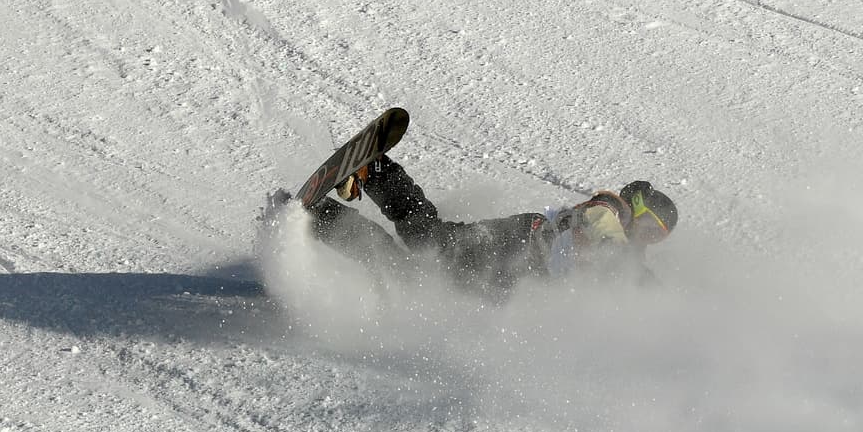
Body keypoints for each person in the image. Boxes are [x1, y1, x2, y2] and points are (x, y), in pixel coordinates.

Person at [264, 151, 677, 300]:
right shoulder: (614, 210)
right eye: (654, 230)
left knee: (411, 279)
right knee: (431, 242)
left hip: (516, 278)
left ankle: (315, 218)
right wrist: (613, 252)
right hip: (520, 242)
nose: (650, 240)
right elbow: (599, 222)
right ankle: (374, 170)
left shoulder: (628, 264)